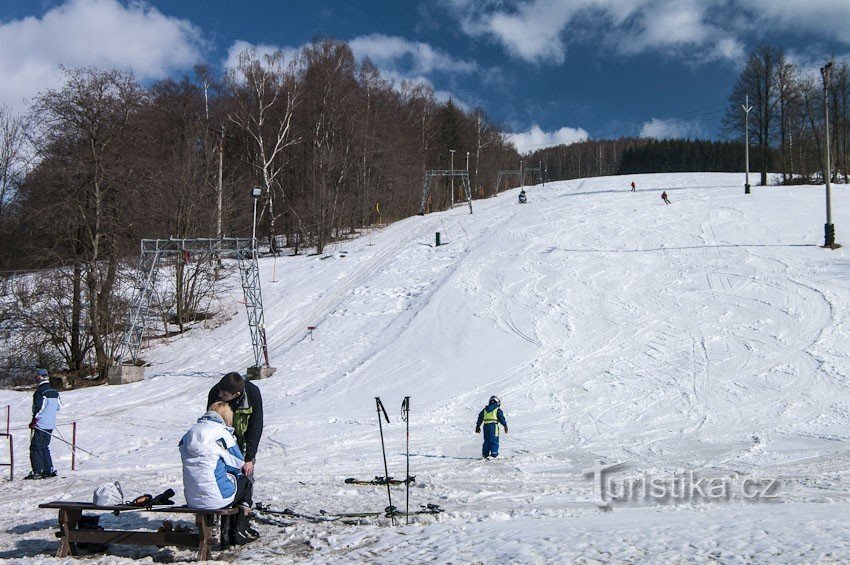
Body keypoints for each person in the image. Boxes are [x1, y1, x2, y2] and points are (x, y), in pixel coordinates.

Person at [179, 401, 254, 547]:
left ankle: (221, 530)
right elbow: (240, 464)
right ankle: (236, 531)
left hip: (192, 499)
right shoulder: (222, 434)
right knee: (245, 482)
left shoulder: (188, 435)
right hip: (218, 497)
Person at [26, 368, 61, 480]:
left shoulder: (40, 392)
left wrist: (34, 421)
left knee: (35, 447)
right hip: (50, 424)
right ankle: (48, 469)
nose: (35, 378)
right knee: (44, 446)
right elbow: (58, 407)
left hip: (41, 424)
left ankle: (38, 470)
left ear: (40, 377)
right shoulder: (54, 391)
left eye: (36, 376)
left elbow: (38, 408)